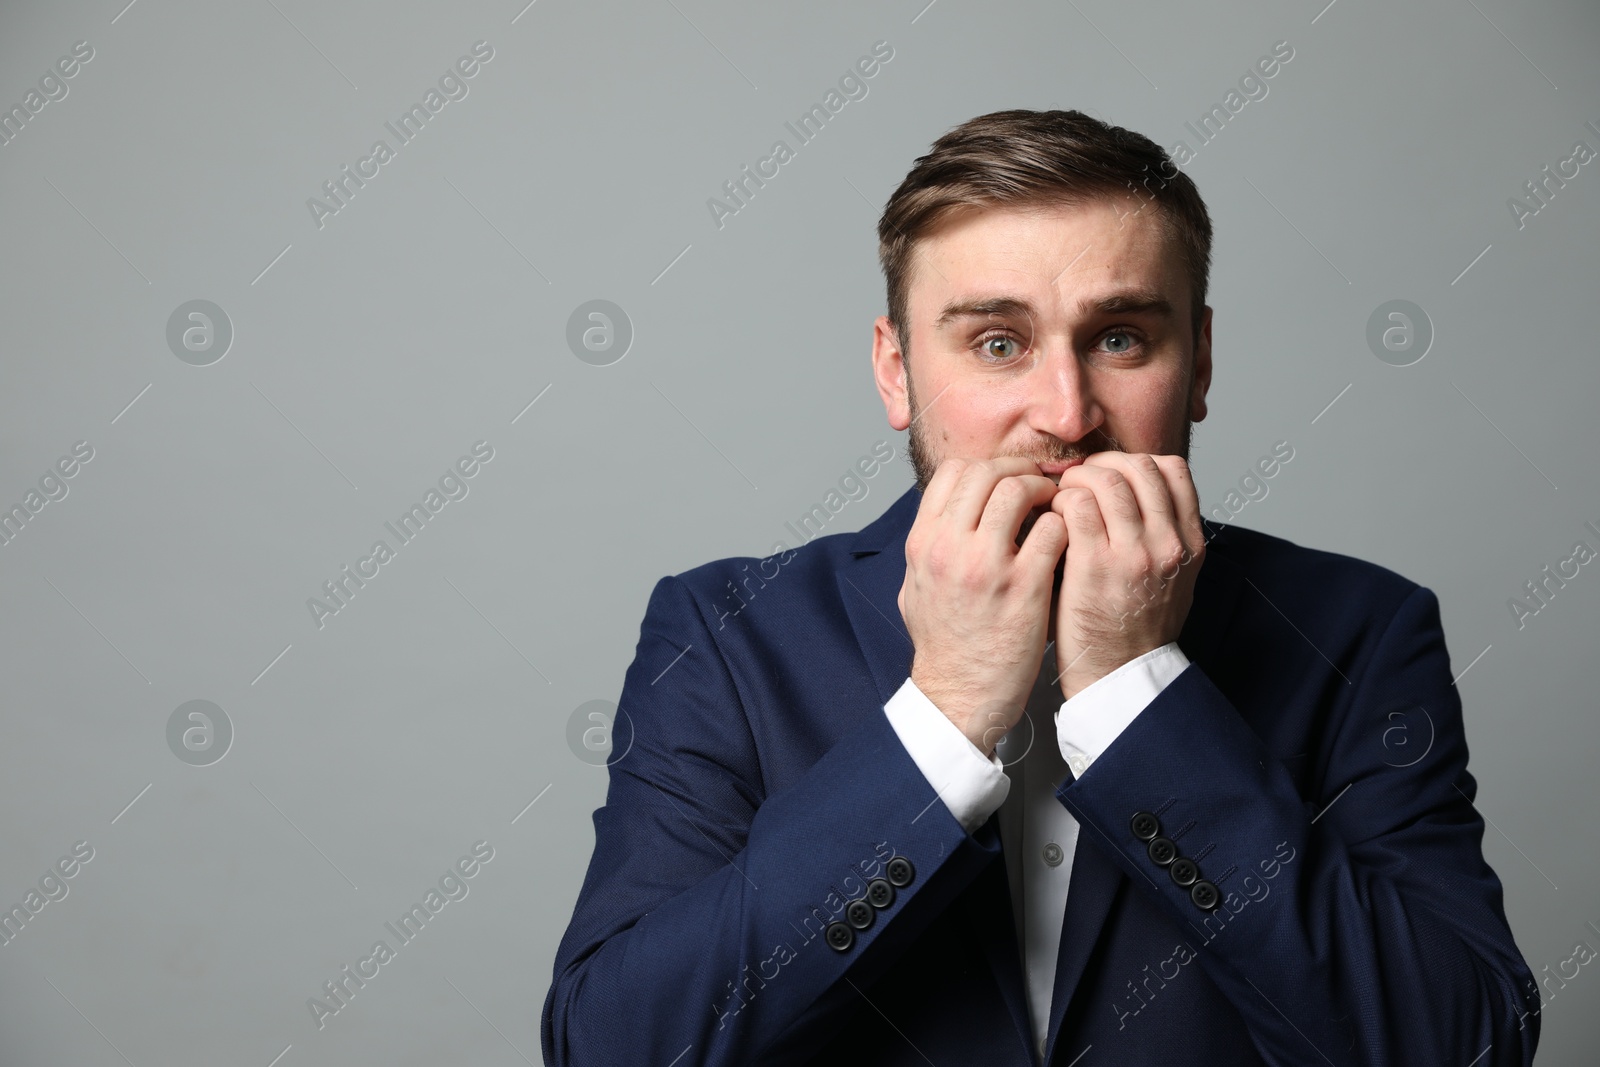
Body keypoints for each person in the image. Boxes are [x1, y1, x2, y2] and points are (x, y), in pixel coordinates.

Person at [541, 109, 1539, 1066]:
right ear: (895, 373)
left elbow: (1459, 1042)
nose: (1066, 414)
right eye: (996, 342)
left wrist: (1135, 692)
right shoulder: (725, 634)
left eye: (1118, 338)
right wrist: (948, 709)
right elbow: (618, 1045)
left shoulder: (1358, 633)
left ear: (1196, 363)